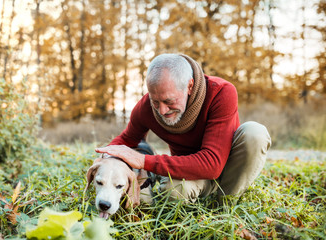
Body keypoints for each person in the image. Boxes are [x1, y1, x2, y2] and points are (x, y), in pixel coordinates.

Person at [95, 53, 271, 202]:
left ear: (190, 86)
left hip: (230, 171)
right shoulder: (146, 108)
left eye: (169, 101)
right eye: (155, 101)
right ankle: (198, 199)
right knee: (174, 189)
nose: (162, 110)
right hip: (192, 174)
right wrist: (106, 157)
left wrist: (143, 161)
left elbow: (212, 164)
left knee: (255, 133)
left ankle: (225, 202)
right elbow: (126, 139)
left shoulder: (221, 92)